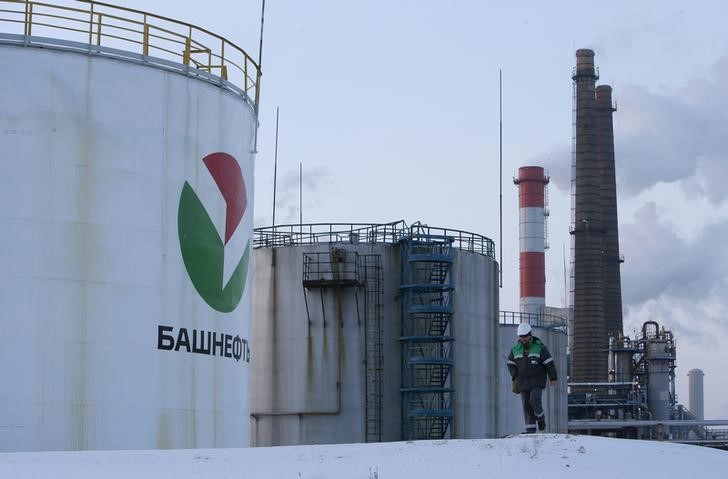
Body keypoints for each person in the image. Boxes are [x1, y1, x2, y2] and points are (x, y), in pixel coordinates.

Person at [507, 322, 557, 433]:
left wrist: (553, 377)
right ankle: (530, 430)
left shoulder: (540, 347)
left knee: (534, 400)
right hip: (522, 381)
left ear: (530, 334)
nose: (523, 338)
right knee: (526, 405)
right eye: (521, 336)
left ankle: (540, 417)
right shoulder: (515, 349)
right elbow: (510, 362)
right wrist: (514, 374)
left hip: (537, 380)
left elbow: (549, 363)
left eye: (525, 336)